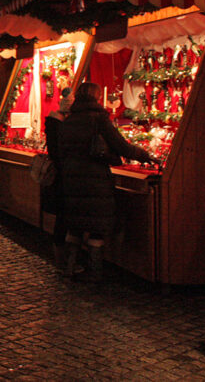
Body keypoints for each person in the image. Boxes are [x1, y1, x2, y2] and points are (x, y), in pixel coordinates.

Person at [57, 81, 154, 282]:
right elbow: (121, 146)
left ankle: (69, 266)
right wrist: (144, 155)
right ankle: (96, 272)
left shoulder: (69, 121)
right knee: (96, 227)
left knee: (75, 224)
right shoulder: (98, 120)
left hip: (72, 179)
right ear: (96, 97)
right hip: (95, 180)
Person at [42, 87, 72, 272]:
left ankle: (62, 260)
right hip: (65, 179)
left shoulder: (52, 126)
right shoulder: (60, 128)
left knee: (62, 219)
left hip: (61, 179)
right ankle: (63, 262)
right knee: (64, 219)